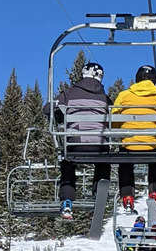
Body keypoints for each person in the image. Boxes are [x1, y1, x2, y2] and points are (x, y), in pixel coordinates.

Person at [43, 62, 111, 219]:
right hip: (99, 145)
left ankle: (67, 200)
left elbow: (47, 109)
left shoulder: (68, 94)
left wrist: (60, 115)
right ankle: (99, 194)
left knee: (67, 162)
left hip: (75, 143)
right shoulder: (105, 98)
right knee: (104, 161)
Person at [112, 65, 156, 212]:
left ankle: (127, 196)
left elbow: (115, 120)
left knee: (125, 164)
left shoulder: (124, 95)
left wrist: (122, 132)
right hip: (151, 145)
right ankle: (155, 192)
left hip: (129, 145)